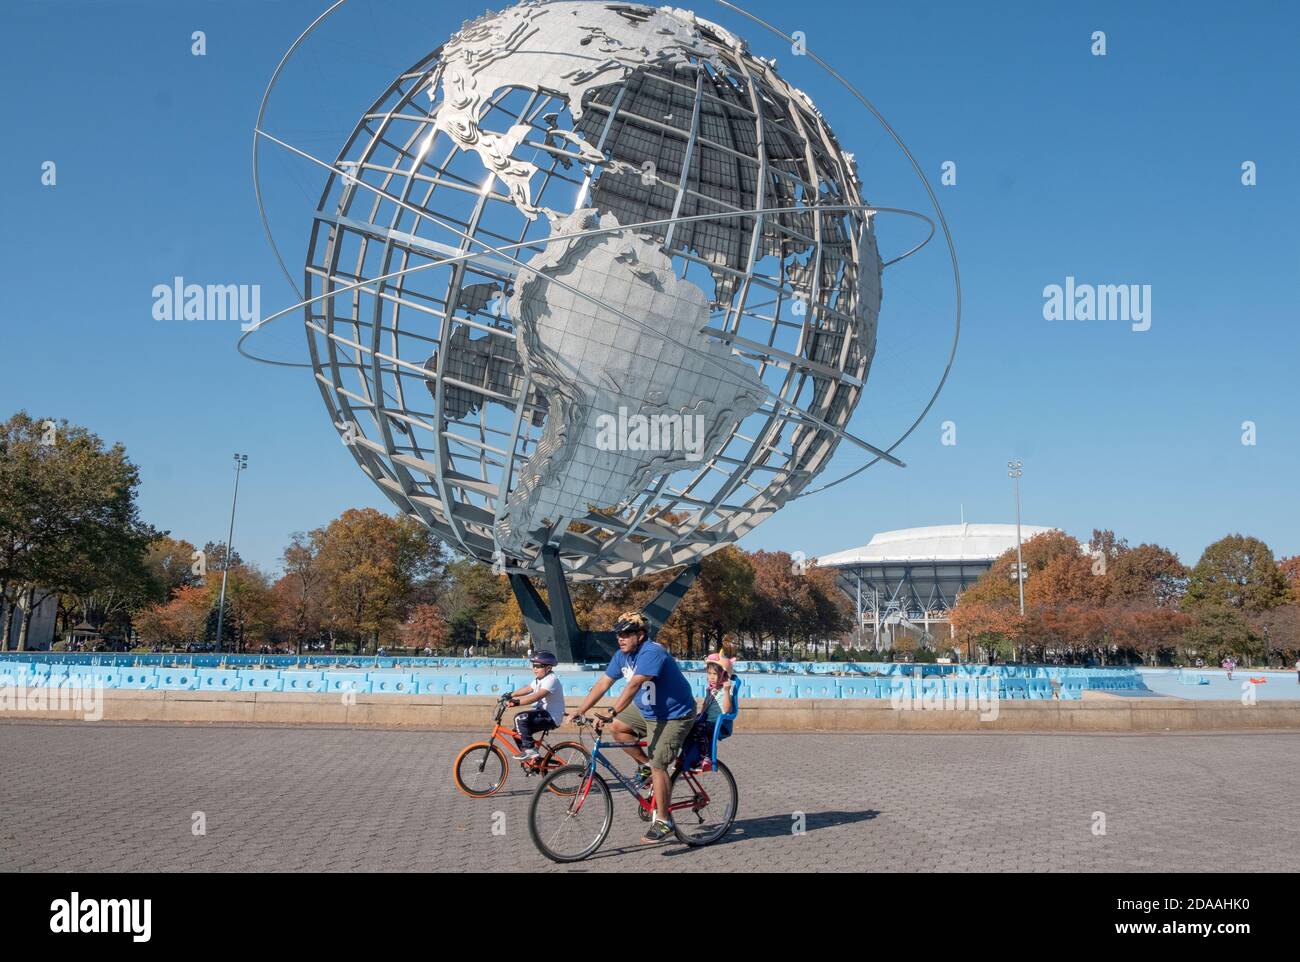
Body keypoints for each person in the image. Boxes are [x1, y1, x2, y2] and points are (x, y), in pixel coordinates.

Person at [569, 611, 696, 844]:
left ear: (641, 634)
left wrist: (612, 710)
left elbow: (635, 684)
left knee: (660, 765)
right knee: (617, 728)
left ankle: (664, 821)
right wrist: (581, 709)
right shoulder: (621, 656)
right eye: (618, 634)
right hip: (647, 711)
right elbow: (604, 682)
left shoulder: (652, 652)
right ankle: (645, 765)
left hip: (673, 715)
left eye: (626, 633)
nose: (621, 638)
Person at [504, 651, 564, 763]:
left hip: (551, 717)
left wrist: (516, 702)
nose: (534, 669)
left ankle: (530, 750)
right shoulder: (539, 679)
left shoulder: (551, 680)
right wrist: (511, 694)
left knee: (519, 718)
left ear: (548, 668)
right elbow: (528, 689)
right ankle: (532, 760)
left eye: (538, 666)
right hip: (542, 713)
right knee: (517, 732)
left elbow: (536, 696)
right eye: (533, 666)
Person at [682, 650, 735, 771]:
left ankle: (707, 757)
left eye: (715, 674)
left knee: (701, 729)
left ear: (724, 675)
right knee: (689, 727)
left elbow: (727, 710)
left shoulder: (726, 689)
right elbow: (706, 703)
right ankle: (687, 756)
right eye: (709, 673)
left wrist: (726, 690)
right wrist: (699, 717)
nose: (711, 677)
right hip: (708, 721)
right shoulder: (711, 689)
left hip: (720, 724)